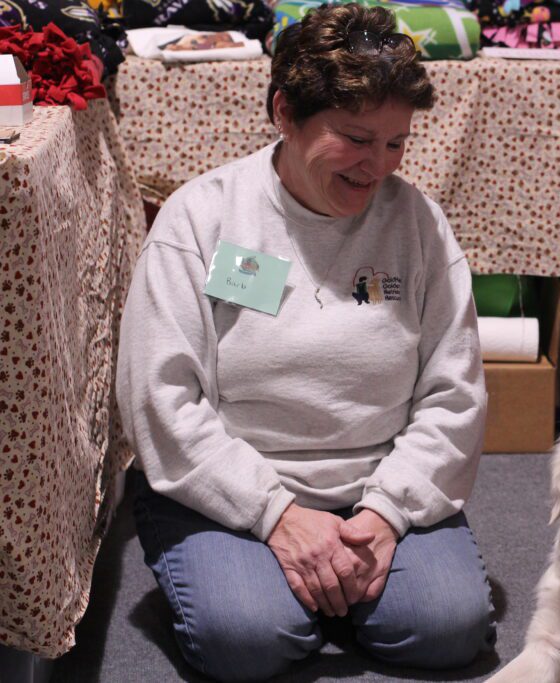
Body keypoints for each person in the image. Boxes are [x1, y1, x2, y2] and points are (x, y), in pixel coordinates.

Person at [115, 5, 494, 681]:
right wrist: (277, 513)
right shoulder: (202, 219)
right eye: (355, 138)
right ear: (285, 113)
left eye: (396, 142)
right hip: (229, 487)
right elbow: (160, 399)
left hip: (376, 484)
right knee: (249, 639)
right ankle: (304, 582)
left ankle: (327, 579)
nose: (378, 165)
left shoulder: (419, 225)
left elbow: (454, 393)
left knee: (447, 626)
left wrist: (385, 512)